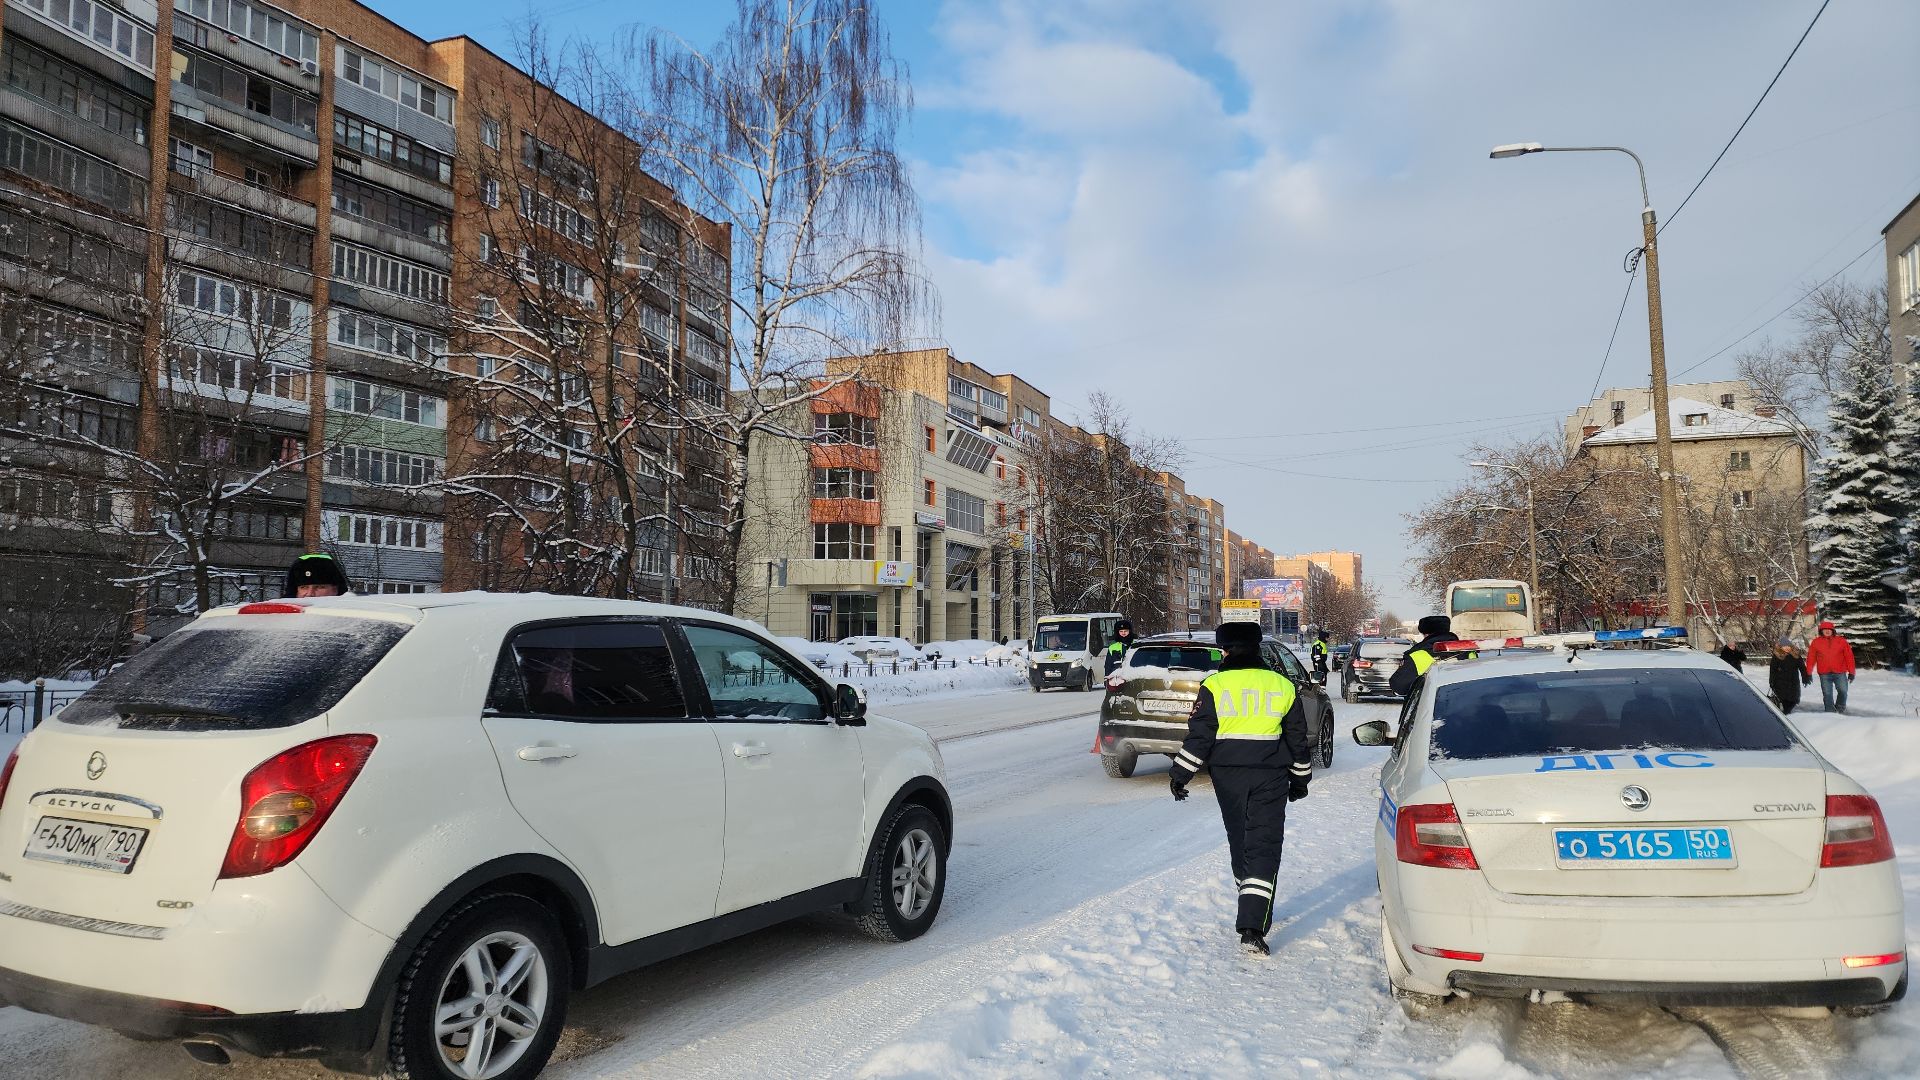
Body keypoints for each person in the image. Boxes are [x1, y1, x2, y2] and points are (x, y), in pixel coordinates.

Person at [1167, 621, 1311, 957]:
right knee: (1263, 844)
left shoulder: (1214, 685)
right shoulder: (1282, 684)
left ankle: (1250, 904)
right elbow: (1297, 740)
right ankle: (1252, 924)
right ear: (1258, 648)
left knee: (1241, 840)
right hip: (1271, 775)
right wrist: (1300, 780)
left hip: (1227, 776)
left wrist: (1180, 774)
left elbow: (1201, 736)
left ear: (1224, 650)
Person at [1389, 615, 1465, 698]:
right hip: (1472, 705)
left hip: (1433, 706)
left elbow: (1399, 687)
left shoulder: (1417, 656)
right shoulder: (1467, 652)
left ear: (1426, 634)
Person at [1804, 621, 1857, 714]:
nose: (1827, 631)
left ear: (1833, 631)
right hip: (1824, 673)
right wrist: (1808, 673)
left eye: (1829, 629)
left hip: (1840, 672)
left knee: (1843, 691)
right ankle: (1830, 713)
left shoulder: (1841, 641)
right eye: (1825, 630)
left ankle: (1840, 709)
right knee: (1827, 694)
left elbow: (1849, 657)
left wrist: (1852, 672)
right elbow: (1811, 658)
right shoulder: (1816, 642)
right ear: (1821, 631)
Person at [284, 552, 351, 598]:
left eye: (319, 587)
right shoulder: (281, 617)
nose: (310, 594)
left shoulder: (349, 616)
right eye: (304, 587)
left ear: (335, 590)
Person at [1768, 640, 1808, 715]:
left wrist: (1805, 677)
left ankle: (1787, 712)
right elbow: (1772, 669)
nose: (1786, 648)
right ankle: (1786, 714)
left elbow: (1802, 667)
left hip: (1793, 681)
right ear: (1781, 647)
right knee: (1783, 699)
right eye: (1784, 646)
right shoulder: (1777, 656)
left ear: (1791, 646)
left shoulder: (1796, 655)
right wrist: (1771, 681)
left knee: (1794, 699)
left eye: (1788, 646)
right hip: (1780, 682)